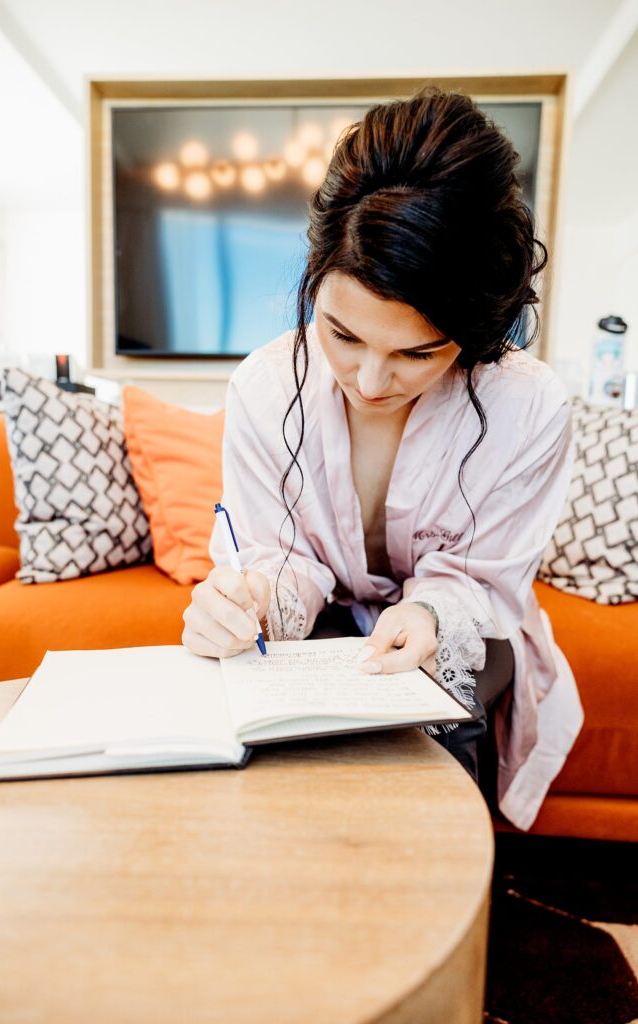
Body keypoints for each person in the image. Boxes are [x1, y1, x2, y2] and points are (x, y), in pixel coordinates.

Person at [181, 85, 584, 831]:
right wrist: (248, 600)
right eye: (341, 335)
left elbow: (481, 582)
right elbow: (271, 553)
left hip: (469, 624)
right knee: (275, 735)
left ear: (474, 334)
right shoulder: (266, 387)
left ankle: (441, 907)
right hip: (328, 620)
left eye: (416, 352)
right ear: (313, 285)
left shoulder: (528, 406)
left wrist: (429, 614)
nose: (370, 382)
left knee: (435, 715)